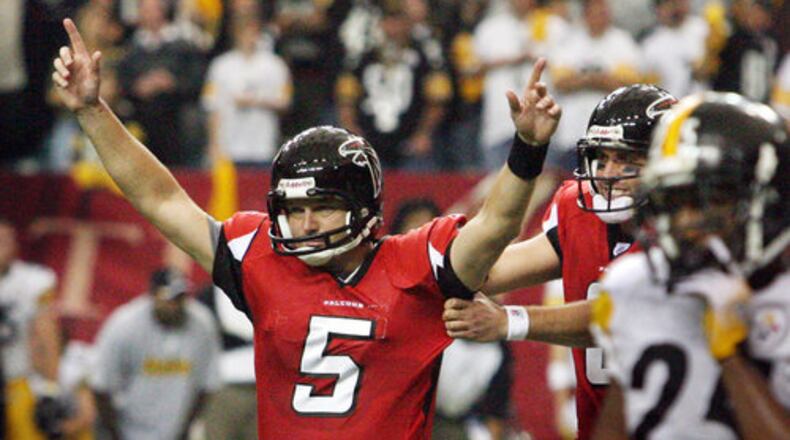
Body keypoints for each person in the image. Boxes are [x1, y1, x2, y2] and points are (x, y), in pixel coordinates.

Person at [52, 16, 560, 438]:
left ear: (363, 207)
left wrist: (527, 149)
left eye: (321, 206)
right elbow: (160, 197)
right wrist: (93, 112)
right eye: (293, 210)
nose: (305, 222)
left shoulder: (416, 264)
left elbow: (495, 225)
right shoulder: (260, 258)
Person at [442, 84, 677, 440]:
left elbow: (619, 317)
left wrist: (509, 320)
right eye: (603, 157)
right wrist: (527, 150)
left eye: (629, 160)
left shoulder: (687, 228)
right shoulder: (579, 210)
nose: (610, 173)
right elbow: (484, 273)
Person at [590, 92, 789, 438]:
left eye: (708, 201)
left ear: (767, 197)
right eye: (676, 201)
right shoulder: (634, 284)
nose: (685, 222)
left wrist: (731, 356)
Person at [90, 268, 221, 440]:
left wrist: (185, 429)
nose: (175, 306)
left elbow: (206, 385)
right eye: (169, 299)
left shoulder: (202, 324)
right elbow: (101, 386)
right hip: (124, 428)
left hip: (173, 431)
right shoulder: (124, 325)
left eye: (180, 298)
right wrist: (115, 434)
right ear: (152, 295)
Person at [0, 218, 62, 440]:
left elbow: (47, 337)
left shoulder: (33, 281)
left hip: (17, 382)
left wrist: (50, 389)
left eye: (6, 240)